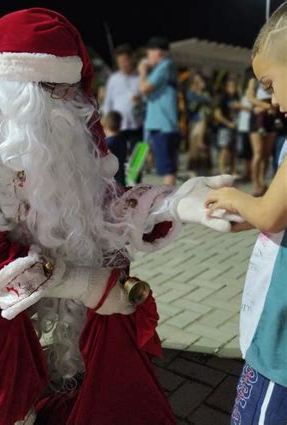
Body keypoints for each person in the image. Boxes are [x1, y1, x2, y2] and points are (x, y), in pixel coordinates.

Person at [0, 8, 239, 425]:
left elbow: (98, 209)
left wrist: (174, 202)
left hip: (26, 251)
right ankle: (8, 416)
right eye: (58, 90)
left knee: (112, 268)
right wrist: (86, 285)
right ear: (20, 84)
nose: (73, 102)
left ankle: (110, 397)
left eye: (74, 89)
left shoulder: (58, 114)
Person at [205, 4, 287, 424]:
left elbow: (273, 215)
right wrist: (249, 218)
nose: (270, 99)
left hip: (282, 351)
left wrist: (237, 198)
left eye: (271, 84)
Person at [138, 36, 179, 186]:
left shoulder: (164, 66)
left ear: (158, 52)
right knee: (168, 167)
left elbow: (144, 88)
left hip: (162, 124)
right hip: (166, 124)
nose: (148, 57)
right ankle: (169, 200)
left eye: (149, 53)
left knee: (167, 169)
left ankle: (168, 203)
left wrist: (142, 71)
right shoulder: (169, 67)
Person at [102, 44, 143, 155]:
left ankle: (137, 173)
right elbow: (108, 102)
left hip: (137, 124)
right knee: (119, 158)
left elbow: (147, 100)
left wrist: (140, 101)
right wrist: (106, 123)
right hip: (118, 126)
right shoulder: (113, 79)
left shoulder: (140, 77)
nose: (123, 64)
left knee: (137, 159)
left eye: (125, 60)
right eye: (120, 61)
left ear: (131, 59)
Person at [186, 73, 212, 177]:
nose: (199, 84)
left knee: (205, 151)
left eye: (201, 81)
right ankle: (193, 172)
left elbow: (210, 105)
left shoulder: (207, 93)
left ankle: (206, 172)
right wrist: (200, 97)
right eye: (196, 82)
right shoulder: (190, 94)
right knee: (194, 149)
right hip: (194, 123)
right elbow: (192, 107)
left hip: (205, 126)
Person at [214, 79, 239, 175]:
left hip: (234, 127)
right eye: (231, 86)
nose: (233, 88)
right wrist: (228, 124)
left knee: (234, 150)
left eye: (234, 86)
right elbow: (217, 115)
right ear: (226, 87)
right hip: (224, 128)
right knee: (224, 149)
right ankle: (222, 171)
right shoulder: (222, 98)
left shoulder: (236, 97)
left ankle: (233, 171)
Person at [101, 110, 127, 186]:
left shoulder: (108, 144)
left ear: (104, 124)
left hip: (112, 183)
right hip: (121, 179)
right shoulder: (122, 140)